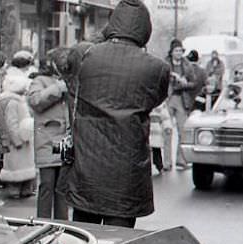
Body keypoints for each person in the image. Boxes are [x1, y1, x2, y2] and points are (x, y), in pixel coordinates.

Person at [60, 0, 170, 228]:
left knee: (83, 238)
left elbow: (68, 66)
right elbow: (156, 100)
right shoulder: (157, 68)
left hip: (87, 165)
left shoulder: (86, 55)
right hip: (127, 170)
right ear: (145, 30)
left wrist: (104, 37)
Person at [27, 48, 70, 220]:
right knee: (47, 185)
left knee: (62, 188)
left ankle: (63, 225)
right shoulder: (39, 80)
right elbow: (35, 101)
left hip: (64, 139)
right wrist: (57, 89)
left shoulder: (67, 80)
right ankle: (42, 224)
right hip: (47, 138)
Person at [0, 74, 36, 198]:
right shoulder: (13, 102)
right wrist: (16, 140)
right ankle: (15, 190)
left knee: (22, 166)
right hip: (18, 140)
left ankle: (24, 189)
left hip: (23, 138)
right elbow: (11, 123)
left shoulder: (18, 100)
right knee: (16, 167)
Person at [166, 38, 197, 170]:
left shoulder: (187, 65)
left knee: (182, 131)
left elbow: (194, 83)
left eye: (180, 51)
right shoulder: (165, 64)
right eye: (176, 50)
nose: (178, 53)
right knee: (166, 130)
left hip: (182, 99)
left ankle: (181, 160)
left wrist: (185, 83)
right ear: (171, 52)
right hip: (168, 98)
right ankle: (166, 162)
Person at [149, 101, 173, 173]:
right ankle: (157, 166)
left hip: (154, 131)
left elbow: (165, 117)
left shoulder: (159, 104)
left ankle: (159, 166)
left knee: (156, 150)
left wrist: (167, 127)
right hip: (148, 131)